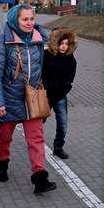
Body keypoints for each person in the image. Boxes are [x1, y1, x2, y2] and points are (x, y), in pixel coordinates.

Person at [0, 3, 57, 194]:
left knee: (36, 138)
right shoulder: (4, 41)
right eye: (24, 19)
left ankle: (39, 177)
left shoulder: (38, 40)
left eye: (32, 19)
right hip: (9, 98)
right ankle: (1, 163)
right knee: (4, 137)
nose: (29, 23)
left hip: (32, 98)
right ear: (15, 20)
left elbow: (44, 68)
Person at [41, 27, 78, 159]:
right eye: (61, 43)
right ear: (55, 43)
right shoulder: (46, 54)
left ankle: (58, 147)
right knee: (40, 121)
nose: (64, 47)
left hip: (61, 95)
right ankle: (36, 144)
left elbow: (72, 71)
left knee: (62, 123)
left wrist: (67, 85)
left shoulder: (69, 56)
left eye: (66, 44)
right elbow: (41, 71)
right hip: (46, 94)